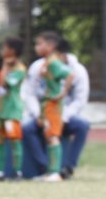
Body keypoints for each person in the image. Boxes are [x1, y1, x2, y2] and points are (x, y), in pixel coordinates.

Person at [21, 37, 90, 180]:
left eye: (39, 44)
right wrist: (37, 114)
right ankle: (47, 168)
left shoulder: (65, 66)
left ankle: (66, 168)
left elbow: (80, 99)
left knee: (70, 130)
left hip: (59, 111)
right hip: (44, 110)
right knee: (30, 129)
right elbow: (29, 93)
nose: (36, 47)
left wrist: (63, 100)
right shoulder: (39, 66)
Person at [31, 31, 72, 182]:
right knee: (48, 136)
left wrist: (63, 93)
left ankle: (55, 172)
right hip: (46, 104)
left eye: (39, 44)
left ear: (51, 45)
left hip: (53, 105)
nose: (36, 47)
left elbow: (69, 74)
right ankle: (50, 171)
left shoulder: (54, 62)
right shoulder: (46, 62)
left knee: (53, 136)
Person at [0, 37, 27, 181]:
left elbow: (5, 84)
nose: (2, 51)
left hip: (12, 110)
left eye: (4, 48)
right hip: (3, 110)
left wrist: (4, 66)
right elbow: (0, 91)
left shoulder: (19, 69)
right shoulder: (7, 67)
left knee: (15, 141)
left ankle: (18, 173)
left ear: (12, 51)